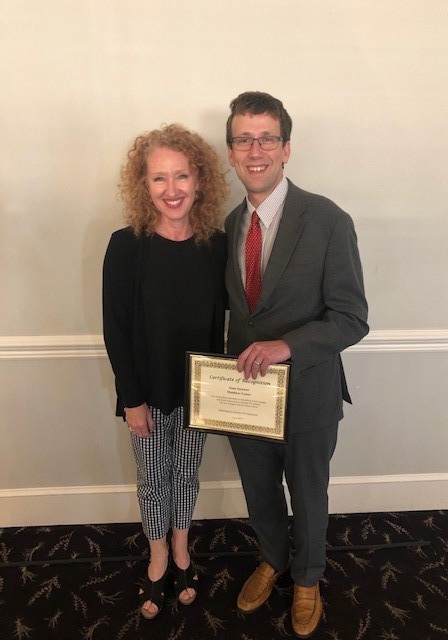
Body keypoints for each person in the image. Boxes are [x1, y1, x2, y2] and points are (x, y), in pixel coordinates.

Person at [224, 91, 369, 638]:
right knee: (259, 491)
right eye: (244, 139)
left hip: (307, 391)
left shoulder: (329, 219)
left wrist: (288, 345)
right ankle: (273, 559)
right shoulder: (230, 225)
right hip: (243, 394)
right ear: (232, 151)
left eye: (266, 138)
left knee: (308, 494)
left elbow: (352, 318)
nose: (255, 149)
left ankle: (307, 577)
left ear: (286, 149)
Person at [102, 124, 228, 620]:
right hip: (147, 394)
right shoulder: (126, 246)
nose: (172, 190)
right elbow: (116, 330)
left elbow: (224, 322)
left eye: (181, 176)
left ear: (199, 180)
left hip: (200, 393)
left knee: (186, 476)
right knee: (153, 479)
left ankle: (181, 550)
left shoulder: (216, 246)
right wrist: (130, 399)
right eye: (159, 179)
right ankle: (157, 558)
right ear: (143, 185)